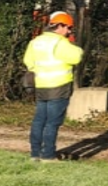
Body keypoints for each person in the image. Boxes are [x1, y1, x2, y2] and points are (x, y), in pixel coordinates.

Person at [23, 10, 83, 162]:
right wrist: (74, 45)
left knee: (39, 121)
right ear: (60, 26)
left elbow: (29, 62)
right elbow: (76, 57)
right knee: (52, 123)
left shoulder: (36, 41)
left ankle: (35, 153)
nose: (69, 31)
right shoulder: (60, 42)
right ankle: (48, 155)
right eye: (68, 28)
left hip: (41, 86)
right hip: (59, 87)